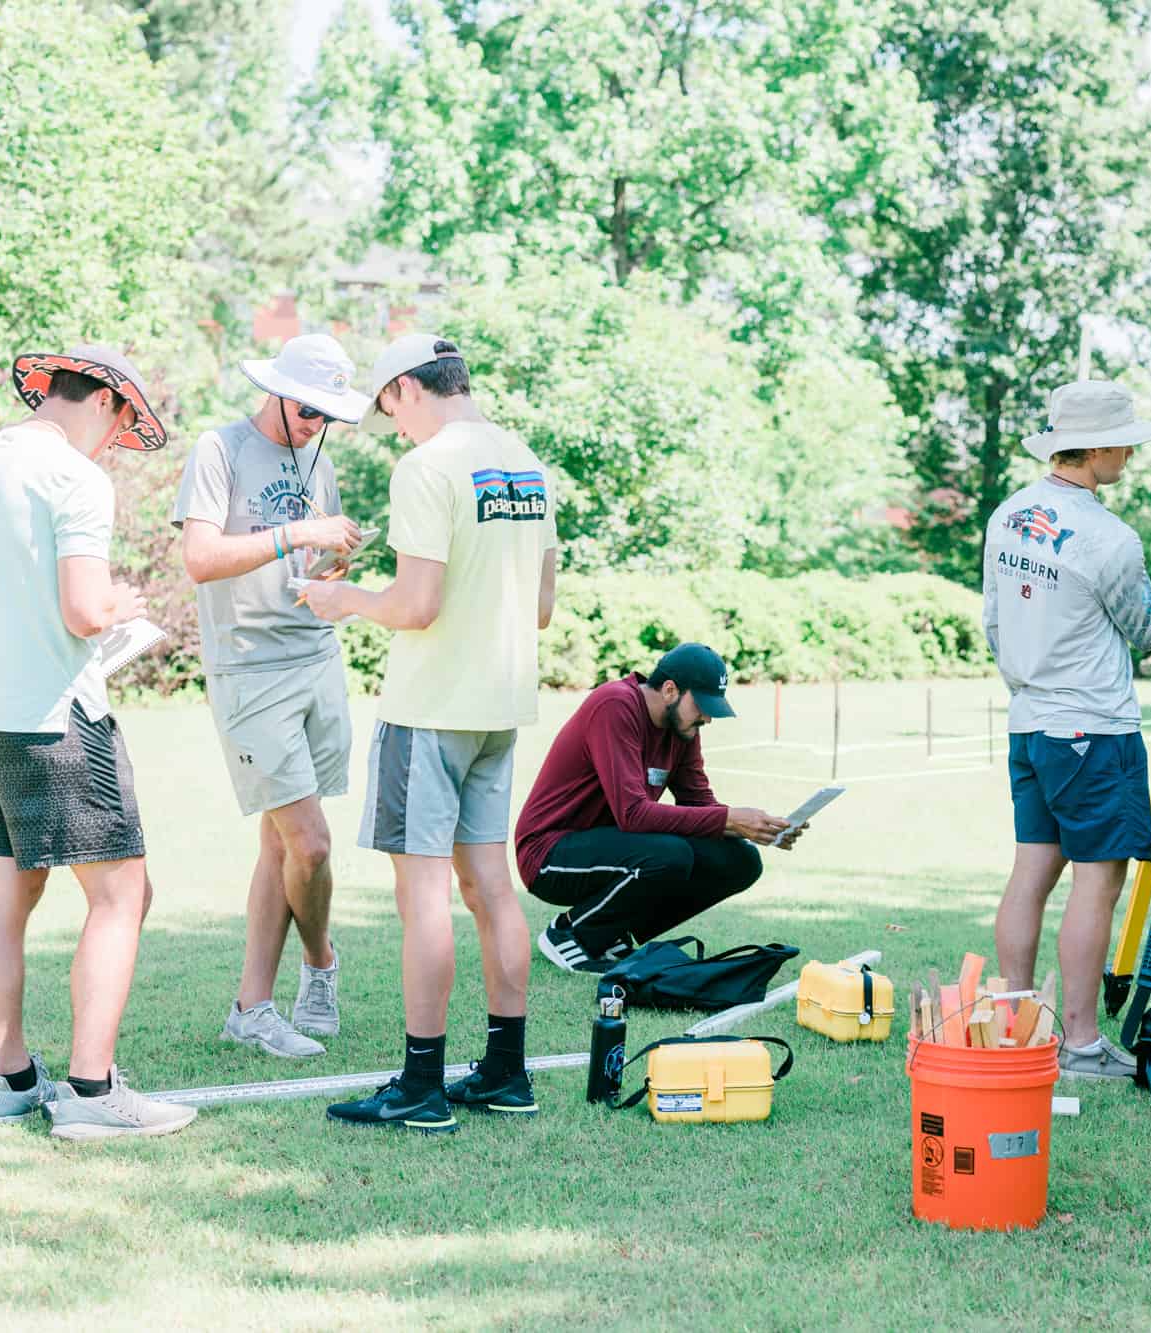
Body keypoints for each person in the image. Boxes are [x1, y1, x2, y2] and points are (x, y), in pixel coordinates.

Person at [0, 345, 197, 1141]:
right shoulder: (76, 475)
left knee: (5, 901)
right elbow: (82, 609)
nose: (117, 443)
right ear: (102, 400)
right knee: (123, 895)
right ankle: (94, 1092)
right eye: (124, 423)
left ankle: (10, 1081)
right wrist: (117, 600)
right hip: (55, 717)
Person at [302, 335, 557, 1132]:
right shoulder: (527, 464)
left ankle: (421, 1084)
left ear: (409, 389)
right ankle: (507, 1071)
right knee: (491, 891)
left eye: (390, 411)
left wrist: (344, 602)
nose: (395, 430)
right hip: (498, 707)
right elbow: (541, 608)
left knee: (425, 904)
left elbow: (415, 606)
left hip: (430, 709)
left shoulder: (427, 467)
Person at [981, 377, 1151, 1081]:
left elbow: (994, 620)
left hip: (1030, 725)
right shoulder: (1109, 538)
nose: (1131, 456)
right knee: (1096, 884)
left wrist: (1030, 684)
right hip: (1093, 729)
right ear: (1103, 446)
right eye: (1127, 444)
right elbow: (1149, 629)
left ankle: (1017, 1025)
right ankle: (1079, 1043)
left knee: (1031, 873)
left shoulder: (1008, 514)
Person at [173, 334, 367, 1060]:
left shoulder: (317, 459)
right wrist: (297, 533)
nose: (319, 424)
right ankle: (320, 961)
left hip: (315, 656)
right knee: (309, 843)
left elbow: (305, 559)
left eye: (329, 415)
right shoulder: (218, 450)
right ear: (277, 390)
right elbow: (200, 559)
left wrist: (332, 562)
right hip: (250, 668)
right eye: (311, 410)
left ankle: (251, 1007)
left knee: (281, 841)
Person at [515, 644, 801, 974]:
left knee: (740, 860)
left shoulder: (683, 729)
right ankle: (571, 933)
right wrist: (731, 818)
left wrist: (760, 829)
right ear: (669, 690)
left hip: (611, 846)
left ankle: (615, 935)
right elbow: (633, 814)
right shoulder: (615, 705)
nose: (708, 718)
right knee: (671, 854)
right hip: (548, 854)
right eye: (703, 706)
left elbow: (699, 804)